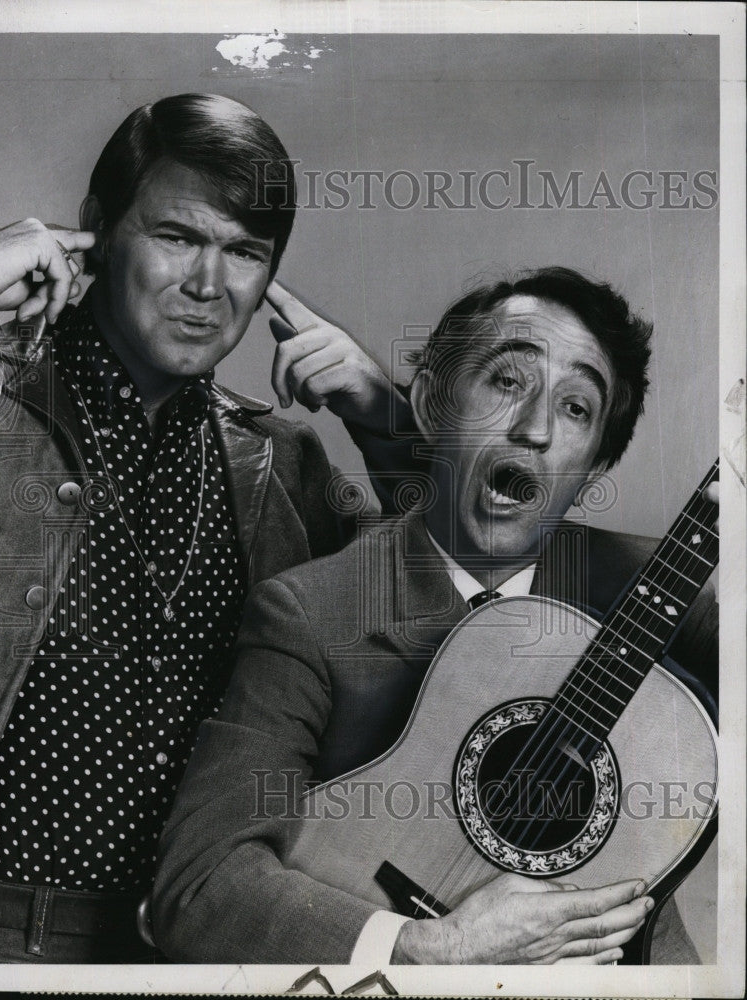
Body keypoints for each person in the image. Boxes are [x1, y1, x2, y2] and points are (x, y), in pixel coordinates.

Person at [152, 267, 718, 966]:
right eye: (507, 382)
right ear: (431, 403)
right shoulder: (309, 612)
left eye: (576, 408)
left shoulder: (656, 590)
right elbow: (199, 884)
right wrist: (434, 947)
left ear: (595, 465)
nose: (534, 428)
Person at [0, 92, 409, 963]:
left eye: (245, 252)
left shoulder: (280, 461)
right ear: (98, 230)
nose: (209, 286)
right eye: (177, 237)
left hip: (191, 945)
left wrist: (385, 422)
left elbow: (435, 602)